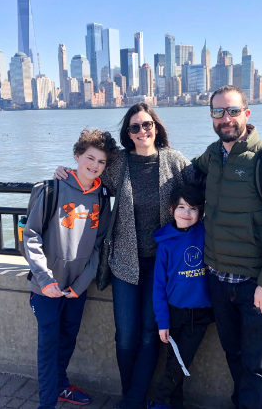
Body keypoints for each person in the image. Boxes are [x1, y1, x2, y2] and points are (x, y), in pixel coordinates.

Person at [55, 103, 196, 409]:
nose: (142, 131)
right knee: (126, 336)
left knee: (150, 335)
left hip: (161, 266)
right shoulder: (119, 163)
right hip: (125, 262)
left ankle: (131, 400)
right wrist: (65, 172)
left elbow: (201, 188)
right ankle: (130, 393)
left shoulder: (174, 161)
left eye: (147, 125)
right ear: (127, 133)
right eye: (135, 127)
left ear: (156, 127)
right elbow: (89, 172)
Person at [191, 86, 262, 409]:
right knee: (234, 356)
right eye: (218, 112)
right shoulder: (213, 155)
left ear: (247, 114)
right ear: (211, 116)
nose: (225, 118)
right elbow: (184, 171)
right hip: (217, 280)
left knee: (256, 369)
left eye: (232, 111)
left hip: (256, 286)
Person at [23, 128, 118, 409]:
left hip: (77, 287)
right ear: (77, 156)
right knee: (48, 345)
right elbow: (30, 235)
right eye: (90, 158)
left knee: (68, 340)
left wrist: (81, 284)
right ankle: (47, 403)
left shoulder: (102, 196)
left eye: (101, 162)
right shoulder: (52, 189)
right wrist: (45, 280)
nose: (95, 166)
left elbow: (99, 244)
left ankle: (62, 385)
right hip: (46, 287)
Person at [147, 185, 212, 409]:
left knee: (181, 361)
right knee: (173, 362)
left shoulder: (206, 233)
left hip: (200, 313)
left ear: (201, 212)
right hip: (174, 312)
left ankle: (156, 401)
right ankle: (175, 403)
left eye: (193, 208)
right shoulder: (165, 243)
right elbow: (159, 286)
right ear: (172, 208)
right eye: (181, 207)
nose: (186, 213)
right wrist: (162, 322)